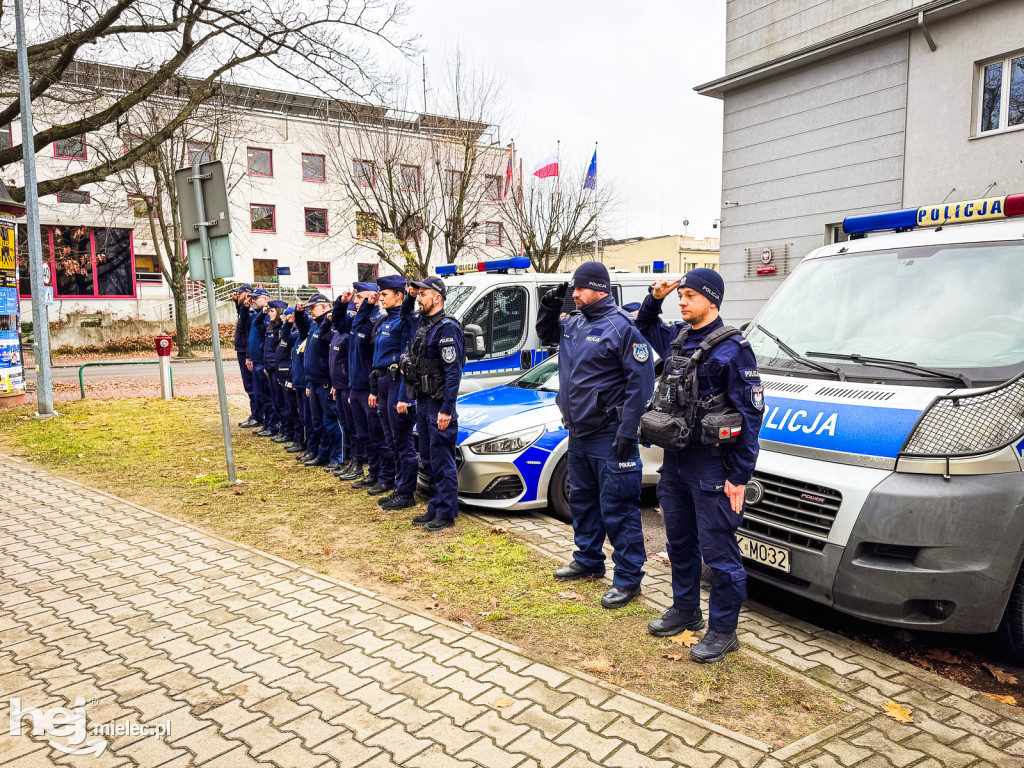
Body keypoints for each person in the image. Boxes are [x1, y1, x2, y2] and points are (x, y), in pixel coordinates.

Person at [635, 268, 763, 664]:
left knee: (719, 551)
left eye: (690, 295)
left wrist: (739, 476)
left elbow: (752, 415)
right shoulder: (677, 340)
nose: (682, 300)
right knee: (680, 543)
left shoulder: (734, 348)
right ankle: (685, 609)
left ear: (712, 300)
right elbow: (644, 324)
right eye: (681, 295)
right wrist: (655, 296)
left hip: (712, 467)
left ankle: (724, 630)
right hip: (675, 463)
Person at [536, 261, 655, 609]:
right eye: (572, 289)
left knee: (618, 507)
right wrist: (550, 304)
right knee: (583, 502)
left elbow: (641, 385)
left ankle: (629, 579)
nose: (574, 294)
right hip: (578, 433)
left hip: (609, 434)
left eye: (580, 289)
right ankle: (588, 559)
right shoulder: (574, 323)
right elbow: (546, 334)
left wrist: (627, 431)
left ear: (599, 289)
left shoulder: (621, 328)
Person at [398, 275, 463, 531]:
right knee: (427, 456)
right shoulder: (426, 325)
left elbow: (452, 372)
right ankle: (435, 507)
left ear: (437, 298)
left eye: (423, 294)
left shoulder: (447, 327)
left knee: (441, 460)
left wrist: (447, 409)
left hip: (438, 405)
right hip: (424, 402)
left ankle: (446, 513)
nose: (419, 298)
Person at [370, 276, 419, 510]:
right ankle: (399, 486)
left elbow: (406, 361)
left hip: (396, 383)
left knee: (402, 439)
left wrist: (404, 396)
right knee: (391, 440)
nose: (381, 298)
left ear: (399, 296)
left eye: (385, 295)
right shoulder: (385, 321)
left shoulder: (405, 321)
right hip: (382, 383)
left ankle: (407, 492)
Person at [347, 283, 387, 490]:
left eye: (359, 297)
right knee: (363, 434)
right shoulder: (360, 319)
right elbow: (353, 329)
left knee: (375, 434)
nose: (355, 300)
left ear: (372, 297)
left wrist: (373, 389)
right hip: (356, 386)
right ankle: (373, 472)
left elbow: (376, 360)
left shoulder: (376, 320)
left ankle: (383, 475)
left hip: (369, 388)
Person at [295, 294, 342, 467]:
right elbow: (300, 327)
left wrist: (334, 383)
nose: (309, 311)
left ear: (324, 307)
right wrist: (298, 313)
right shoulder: (314, 324)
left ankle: (337, 457)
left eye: (312, 308)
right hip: (313, 382)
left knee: (330, 422)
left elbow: (335, 356)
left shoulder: (330, 324)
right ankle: (322, 454)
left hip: (326, 383)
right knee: (317, 422)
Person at [258, 300, 288, 438]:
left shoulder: (280, 328)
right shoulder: (270, 326)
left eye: (272, 311)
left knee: (281, 402)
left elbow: (279, 351)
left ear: (279, 312)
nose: (269, 314)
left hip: (277, 370)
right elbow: (256, 324)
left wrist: (274, 367)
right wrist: (267, 366)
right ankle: (280, 428)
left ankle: (284, 429)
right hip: (270, 368)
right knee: (275, 400)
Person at [232, 285, 259, 428]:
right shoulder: (245, 308)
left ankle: (257, 415)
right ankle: (256, 414)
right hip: (243, 350)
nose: (235, 295)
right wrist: (238, 304)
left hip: (246, 351)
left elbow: (248, 332)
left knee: (252, 385)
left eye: (239, 293)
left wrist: (249, 355)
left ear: (247, 294)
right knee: (250, 385)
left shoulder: (251, 310)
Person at [245, 288, 272, 431]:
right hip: (255, 360)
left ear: (266, 299)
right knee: (259, 393)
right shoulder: (257, 315)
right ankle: (266, 422)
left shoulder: (268, 316)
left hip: (263, 361)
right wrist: (249, 356)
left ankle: (272, 424)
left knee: (267, 395)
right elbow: (251, 338)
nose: (253, 301)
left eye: (256, 298)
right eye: (252, 298)